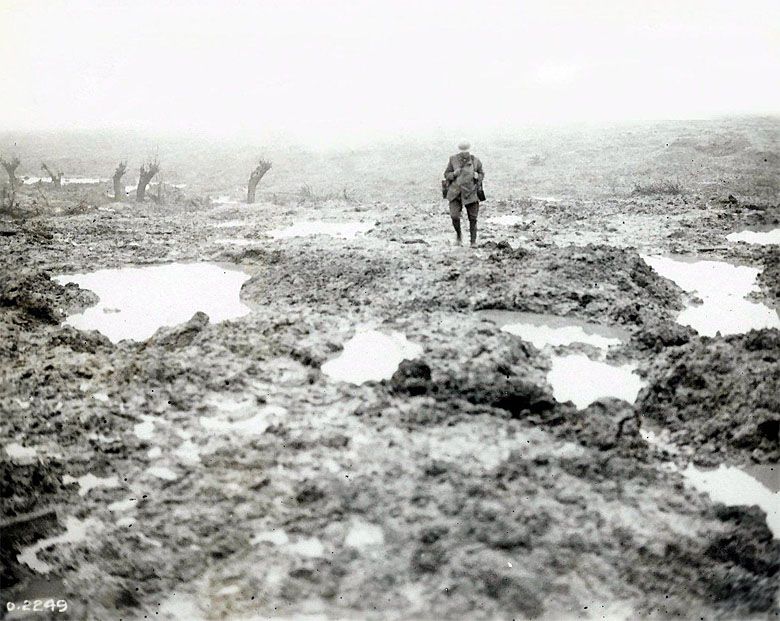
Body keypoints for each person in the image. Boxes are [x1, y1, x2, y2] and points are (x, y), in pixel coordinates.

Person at [443, 142, 484, 247]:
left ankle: (473, 241)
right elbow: (446, 174)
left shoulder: (475, 161)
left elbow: (481, 174)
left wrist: (477, 176)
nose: (464, 152)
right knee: (454, 216)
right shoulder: (453, 160)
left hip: (471, 193)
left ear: (469, 149)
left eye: (466, 150)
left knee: (473, 218)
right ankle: (459, 235)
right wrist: (453, 174)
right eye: (462, 150)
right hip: (455, 193)